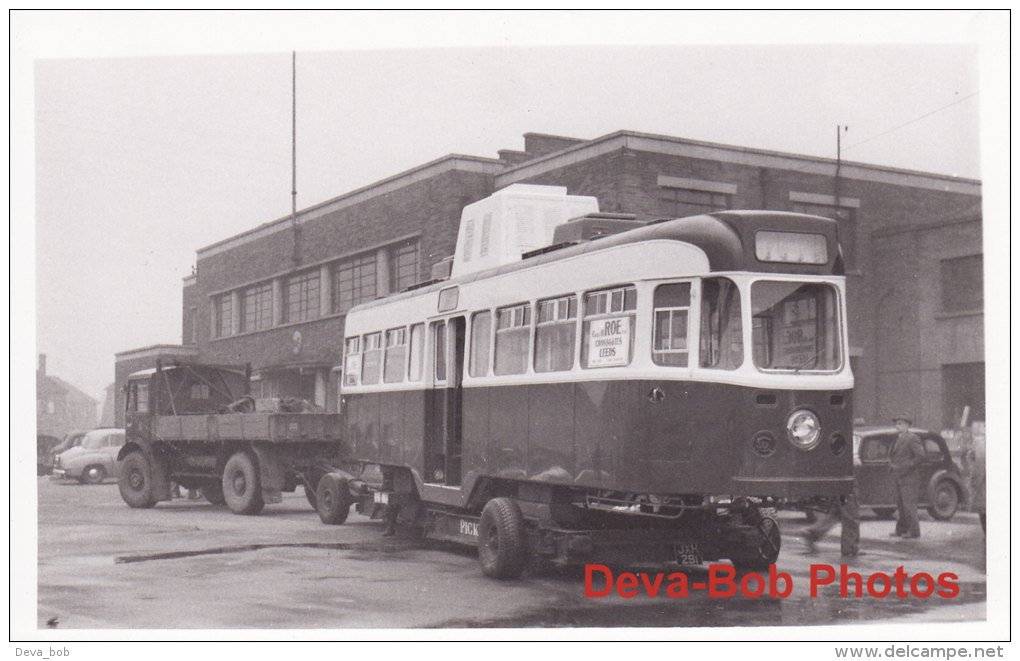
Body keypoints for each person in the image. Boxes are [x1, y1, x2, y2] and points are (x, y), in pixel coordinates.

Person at [802, 483, 862, 557]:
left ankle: (813, 532)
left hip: (840, 482)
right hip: (847, 481)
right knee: (850, 514)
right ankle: (850, 548)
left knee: (837, 512)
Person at [889, 415, 924, 539]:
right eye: (897, 424)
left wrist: (906, 466)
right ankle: (901, 529)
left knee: (909, 505)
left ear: (907, 426)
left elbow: (920, 456)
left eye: (900, 424)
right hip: (898, 476)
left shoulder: (912, 438)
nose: (897, 426)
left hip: (909, 477)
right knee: (901, 505)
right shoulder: (898, 439)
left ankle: (914, 531)